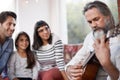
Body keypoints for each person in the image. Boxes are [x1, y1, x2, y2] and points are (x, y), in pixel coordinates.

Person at [65, 1, 120, 80]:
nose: (93, 25)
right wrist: (70, 69)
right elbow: (77, 59)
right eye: (89, 22)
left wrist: (106, 63)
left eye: (96, 19)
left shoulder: (118, 40)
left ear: (108, 16)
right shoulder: (90, 37)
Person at [0, 11, 17, 80]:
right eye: (9, 24)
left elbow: (7, 66)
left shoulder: (10, 42)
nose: (12, 28)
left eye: (14, 25)